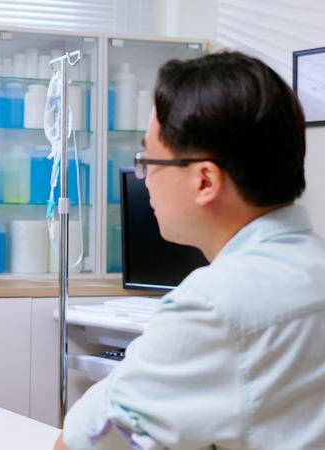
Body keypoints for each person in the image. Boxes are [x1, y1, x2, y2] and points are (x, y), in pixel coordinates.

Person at [55, 51, 325, 449]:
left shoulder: (210, 306)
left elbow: (84, 443)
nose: (143, 179)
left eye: (147, 159)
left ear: (204, 181)